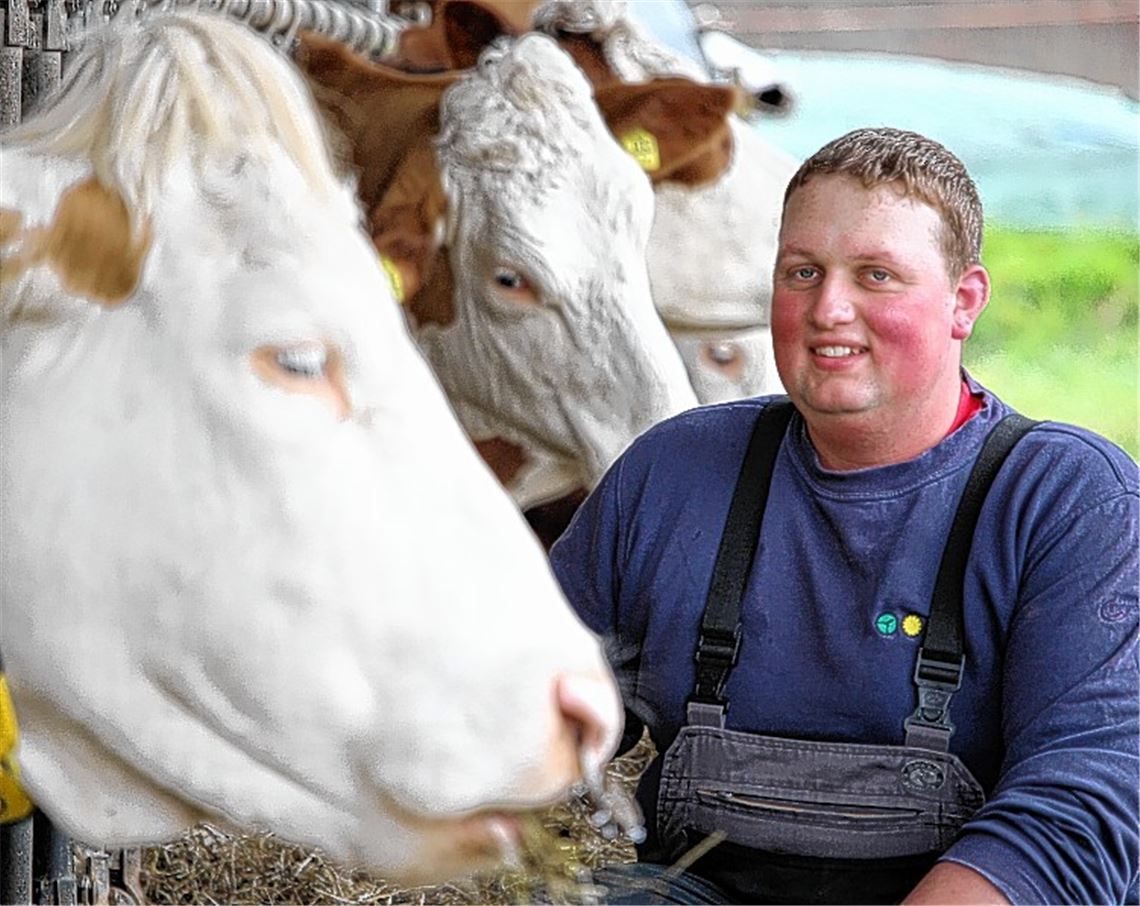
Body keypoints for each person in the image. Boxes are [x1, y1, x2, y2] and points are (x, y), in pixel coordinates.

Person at [550, 127, 1139, 905]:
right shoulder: (672, 473)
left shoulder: (1068, 498)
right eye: (802, 272)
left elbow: (1081, 808)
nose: (828, 309)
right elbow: (531, 706)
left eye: (876, 275)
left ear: (964, 302)